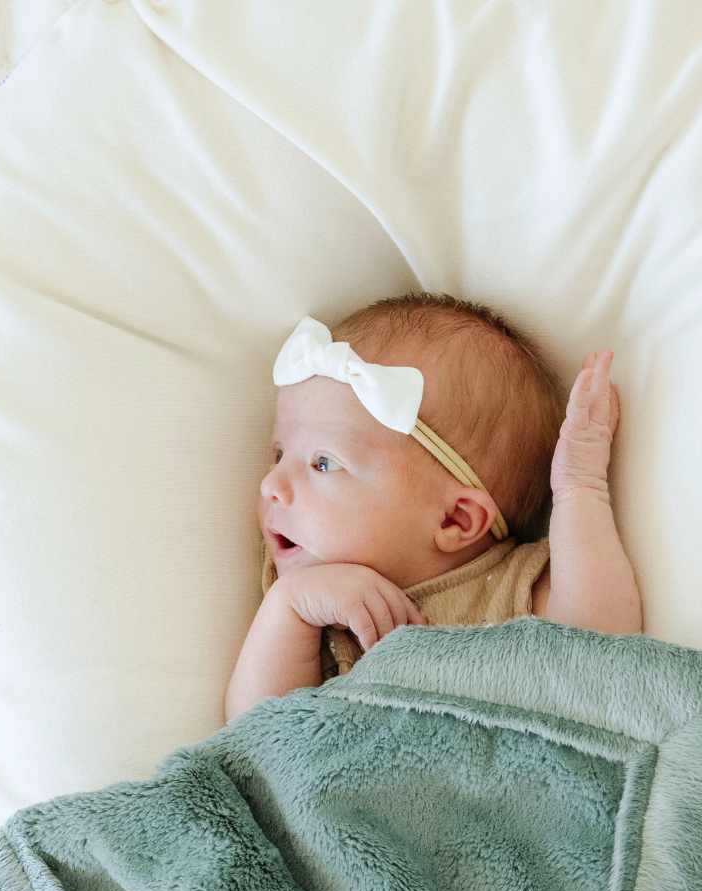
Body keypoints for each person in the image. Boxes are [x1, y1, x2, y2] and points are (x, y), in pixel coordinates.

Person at [223, 294, 642, 721]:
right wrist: (290, 605)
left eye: (323, 463)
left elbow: (600, 648)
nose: (271, 484)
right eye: (279, 454)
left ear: (455, 519)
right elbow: (255, 738)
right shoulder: (300, 606)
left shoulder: (508, 588)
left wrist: (578, 489)